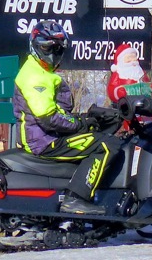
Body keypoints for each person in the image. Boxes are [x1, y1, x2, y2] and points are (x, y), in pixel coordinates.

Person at [13, 20, 122, 217]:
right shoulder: (35, 76)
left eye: (58, 49)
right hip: (44, 142)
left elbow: (55, 112)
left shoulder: (42, 71)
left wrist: (87, 119)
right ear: (36, 46)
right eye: (48, 48)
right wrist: (81, 123)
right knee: (108, 145)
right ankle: (76, 199)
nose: (53, 54)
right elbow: (48, 118)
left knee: (95, 134)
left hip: (47, 137)